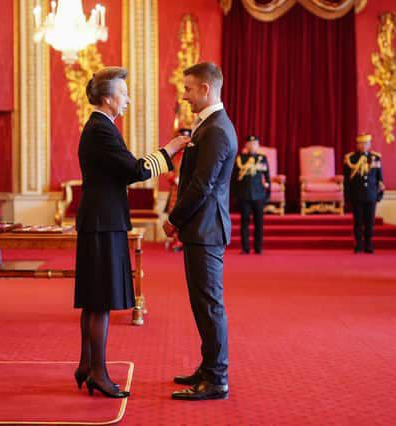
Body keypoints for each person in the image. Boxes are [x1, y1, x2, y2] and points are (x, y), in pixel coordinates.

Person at [75, 67, 188, 398]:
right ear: (109, 98)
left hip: (100, 220)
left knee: (94, 301)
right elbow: (135, 171)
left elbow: (123, 172)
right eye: (123, 94)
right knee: (101, 301)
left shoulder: (101, 127)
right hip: (103, 223)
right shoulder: (101, 130)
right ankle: (97, 372)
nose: (127, 99)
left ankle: (86, 364)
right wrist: (170, 150)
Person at [163, 62, 237, 401]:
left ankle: (217, 379)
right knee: (202, 302)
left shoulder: (217, 129)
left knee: (209, 304)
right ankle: (208, 367)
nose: (185, 95)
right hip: (202, 227)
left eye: (189, 89)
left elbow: (201, 185)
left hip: (206, 228)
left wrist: (174, 219)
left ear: (205, 89)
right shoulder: (209, 126)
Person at [343, 133, 384, 253]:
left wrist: (379, 194)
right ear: (357, 145)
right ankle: (359, 244)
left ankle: (369, 244)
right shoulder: (350, 158)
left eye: (366, 143)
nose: (363, 145)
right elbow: (347, 180)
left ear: (370, 144)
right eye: (361, 143)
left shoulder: (375, 158)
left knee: (370, 222)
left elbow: (379, 178)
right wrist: (348, 196)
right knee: (358, 222)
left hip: (371, 194)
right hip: (357, 194)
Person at [235, 135, 270, 254]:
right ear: (246, 145)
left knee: (258, 223)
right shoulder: (240, 158)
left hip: (259, 195)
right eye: (250, 143)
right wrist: (236, 195)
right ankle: (245, 248)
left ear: (258, 145)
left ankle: (258, 248)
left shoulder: (263, 158)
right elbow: (234, 179)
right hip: (244, 195)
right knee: (244, 222)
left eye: (254, 143)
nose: (252, 146)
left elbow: (267, 178)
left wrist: (267, 195)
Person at [164, 128, 190, 252]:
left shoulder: (193, 153)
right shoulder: (174, 155)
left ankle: (184, 241)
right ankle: (176, 240)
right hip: (175, 190)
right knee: (175, 214)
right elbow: (166, 171)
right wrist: (174, 178)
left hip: (189, 190)